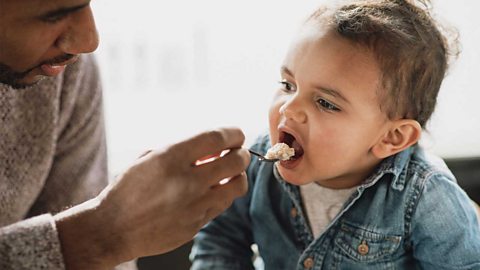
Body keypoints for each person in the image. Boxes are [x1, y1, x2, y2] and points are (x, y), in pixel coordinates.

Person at [190, 0, 480, 269]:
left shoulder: (429, 199)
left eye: (325, 103)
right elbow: (221, 238)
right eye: (288, 85)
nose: (289, 109)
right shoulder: (256, 167)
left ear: (391, 138)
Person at [0, 0, 250, 269]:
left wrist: (110, 236)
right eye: (53, 16)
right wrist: (100, 237)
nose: (89, 41)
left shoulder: (61, 76)